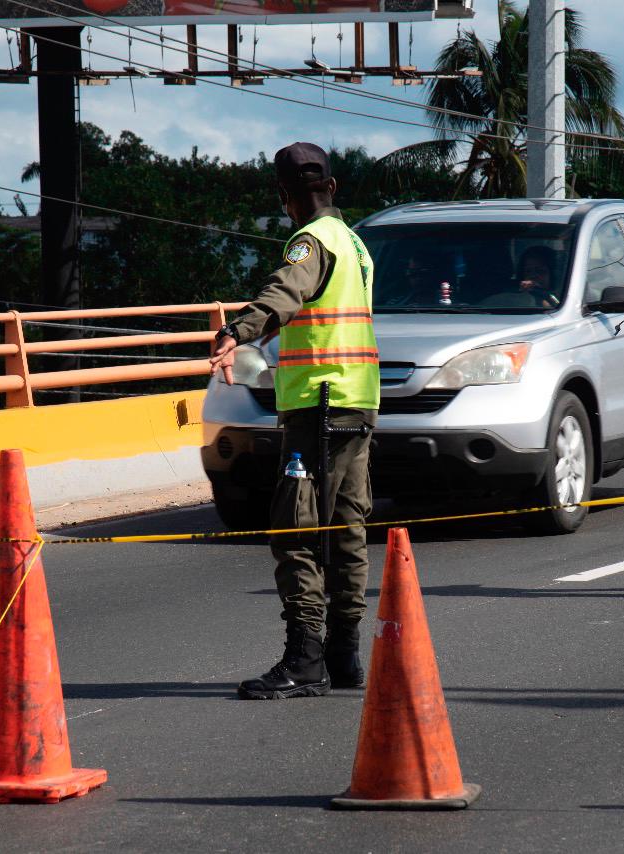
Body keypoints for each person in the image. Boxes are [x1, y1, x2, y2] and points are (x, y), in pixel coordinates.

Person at [209, 142, 379, 699]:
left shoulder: (311, 243)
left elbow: (288, 290)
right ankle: (345, 656)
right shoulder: (355, 243)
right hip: (358, 402)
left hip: (318, 409)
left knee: (295, 530)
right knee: (347, 528)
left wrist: (238, 329)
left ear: (285, 197)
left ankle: (306, 659)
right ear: (334, 186)